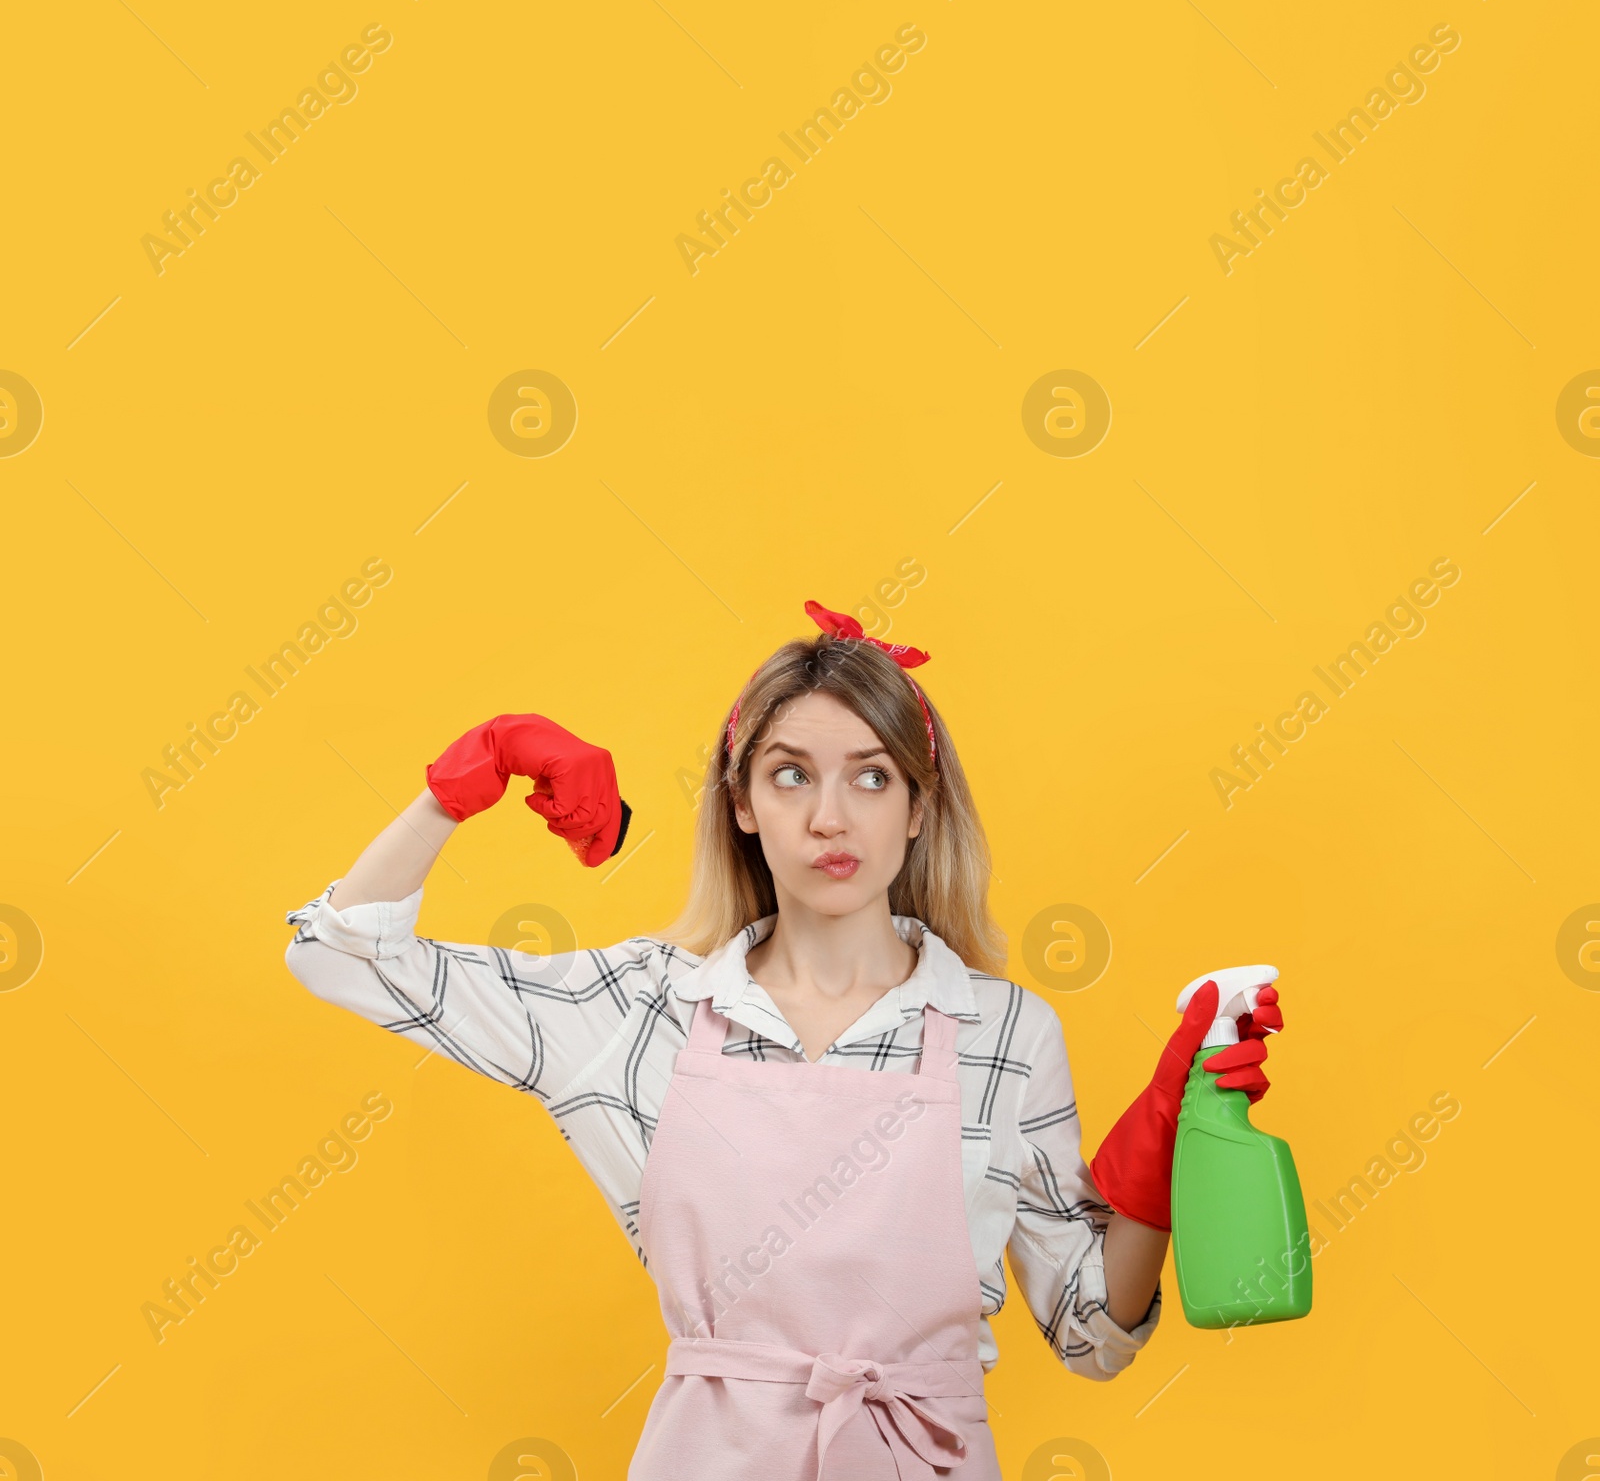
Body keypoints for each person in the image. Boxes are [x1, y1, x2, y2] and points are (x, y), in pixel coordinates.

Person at [283, 599, 1280, 1480]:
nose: (829, 817)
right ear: (742, 803)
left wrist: (1164, 1151)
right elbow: (336, 954)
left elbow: (1090, 1336)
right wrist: (469, 776)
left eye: (872, 777)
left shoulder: (1006, 1031)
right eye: (791, 774)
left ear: (919, 806)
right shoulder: (640, 1009)